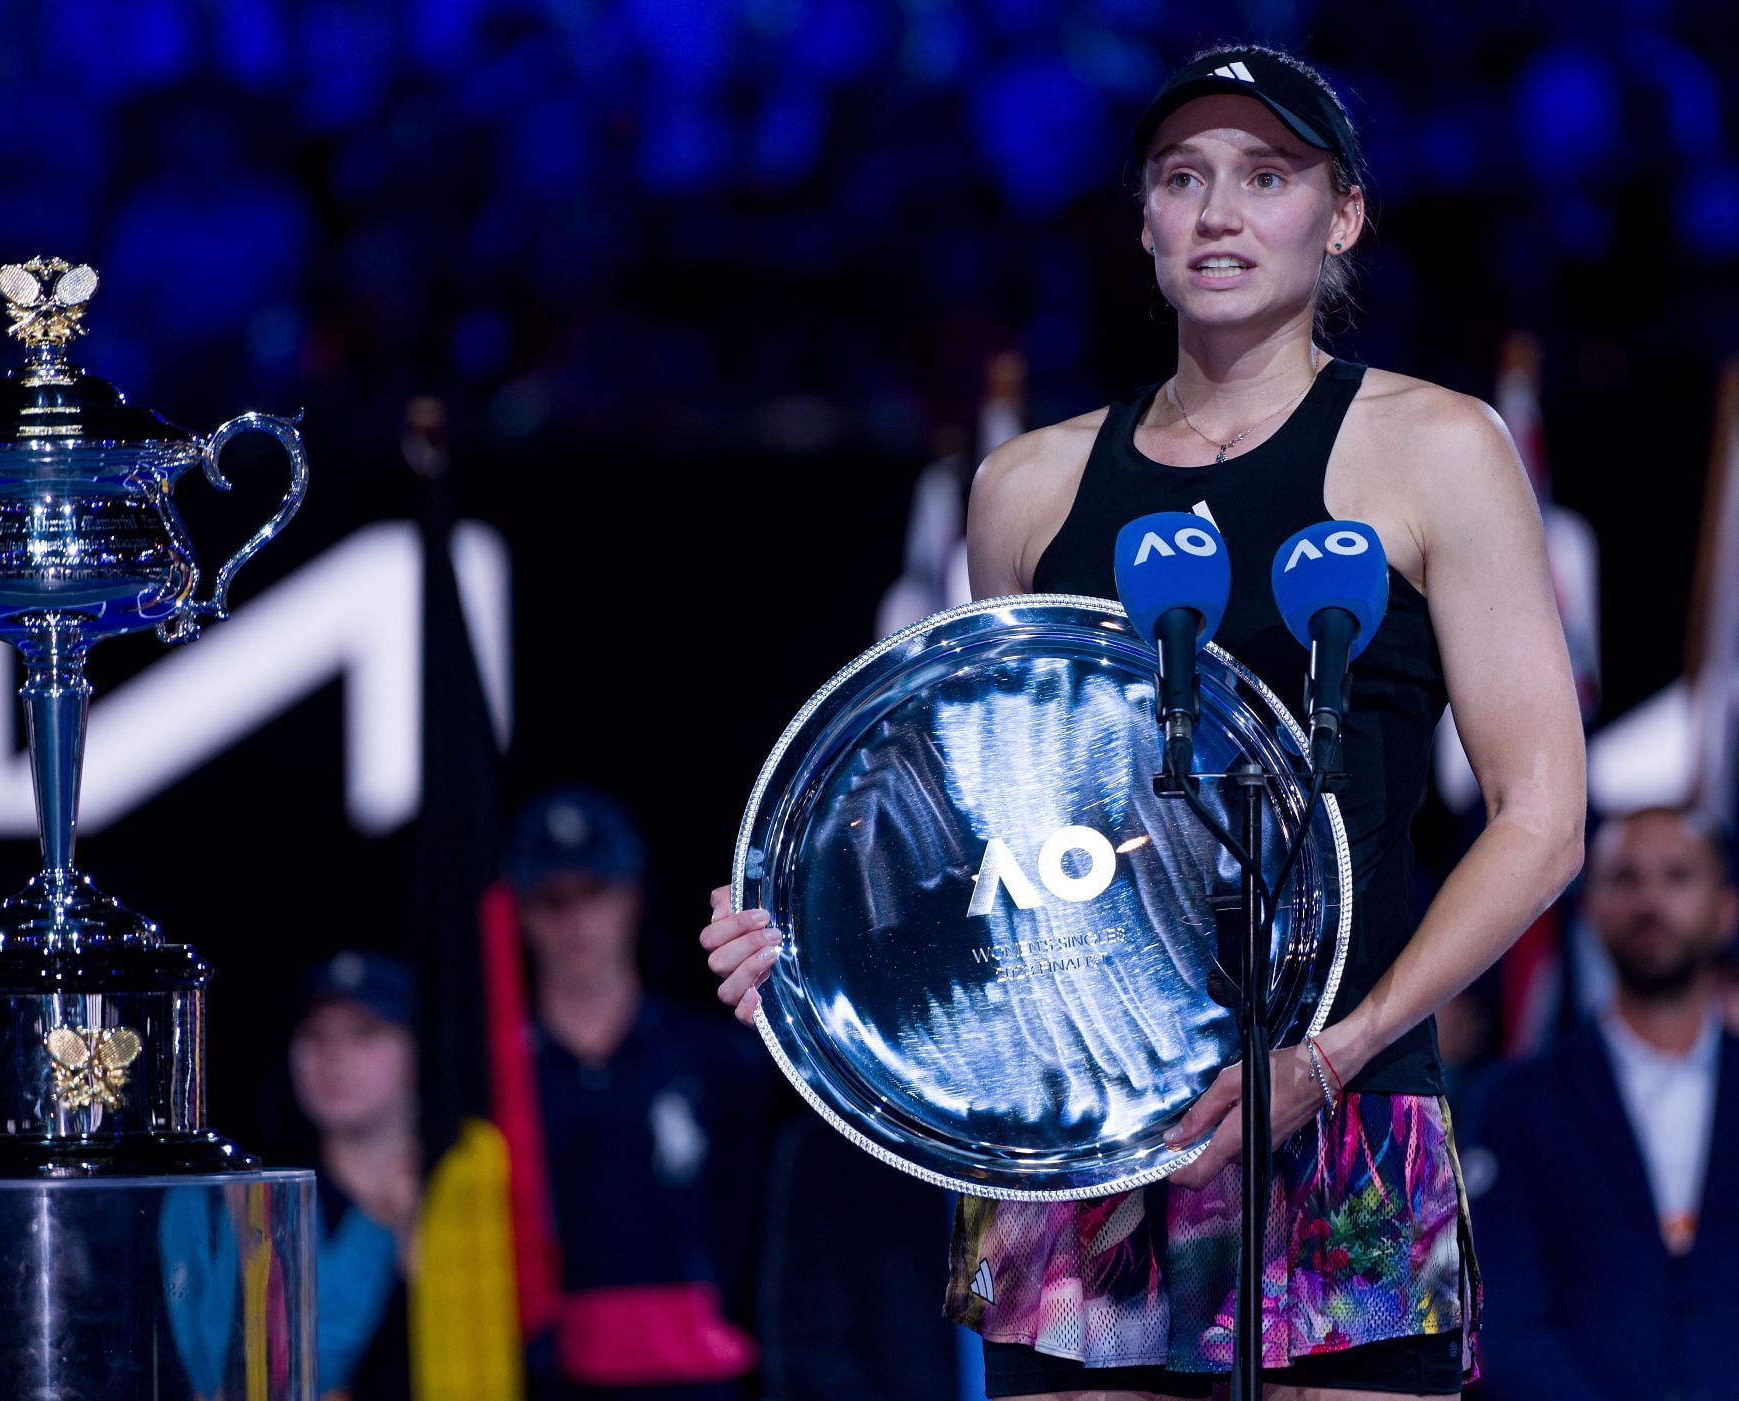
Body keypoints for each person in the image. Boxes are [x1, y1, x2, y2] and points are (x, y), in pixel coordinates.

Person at [701, 43, 1586, 1401]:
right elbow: (1005, 843)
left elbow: (1540, 819)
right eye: (1184, 178)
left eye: (1265, 175)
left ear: (1341, 214)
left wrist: (1329, 1054)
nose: (1220, 212)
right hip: (1083, 1137)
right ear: (1145, 222)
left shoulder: (1438, 451)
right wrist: (819, 946)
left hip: (1344, 1098)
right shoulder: (1027, 487)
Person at [1469, 807, 1739, 1400]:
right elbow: (1503, 1319)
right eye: (1625, 878)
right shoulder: (1516, 1103)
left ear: (1727, 910)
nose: (1650, 900)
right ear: (1588, 909)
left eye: (1677, 876)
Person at [512, 786, 769, 1400]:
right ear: (521, 913)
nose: (574, 921)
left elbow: (757, 1224)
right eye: (552, 899)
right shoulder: (498, 1078)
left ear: (631, 896)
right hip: (543, 1380)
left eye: (593, 892)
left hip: (702, 1378)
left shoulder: (717, 1057)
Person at [289, 951, 421, 1401]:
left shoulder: (467, 1187)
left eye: (365, 1034)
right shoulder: (258, 1204)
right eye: (315, 1036)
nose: (335, 1058)